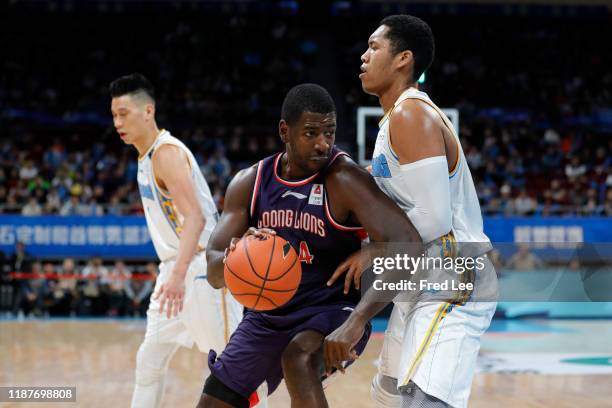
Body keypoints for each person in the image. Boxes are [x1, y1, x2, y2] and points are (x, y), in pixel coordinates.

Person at [198, 83, 422, 408]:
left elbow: (409, 244)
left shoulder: (345, 178)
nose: (323, 144)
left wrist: (357, 320)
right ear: (284, 131)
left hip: (331, 312)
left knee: (299, 360)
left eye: (329, 133)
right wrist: (237, 256)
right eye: (311, 133)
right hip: (265, 317)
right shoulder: (251, 182)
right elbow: (214, 270)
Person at [324, 15, 498, 408]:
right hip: (418, 276)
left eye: (374, 47)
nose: (364, 57)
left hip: (452, 276)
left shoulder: (411, 114)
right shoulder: (392, 121)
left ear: (404, 59)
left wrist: (373, 251)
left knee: (423, 402)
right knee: (387, 393)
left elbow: (434, 220)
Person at [109, 73, 244, 408]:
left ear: (148, 111)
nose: (117, 122)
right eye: (114, 115)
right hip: (175, 270)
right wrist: (173, 275)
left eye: (123, 113)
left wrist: (178, 274)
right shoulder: (145, 157)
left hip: (201, 269)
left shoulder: (165, 153)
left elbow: (195, 218)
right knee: (149, 361)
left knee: (235, 366)